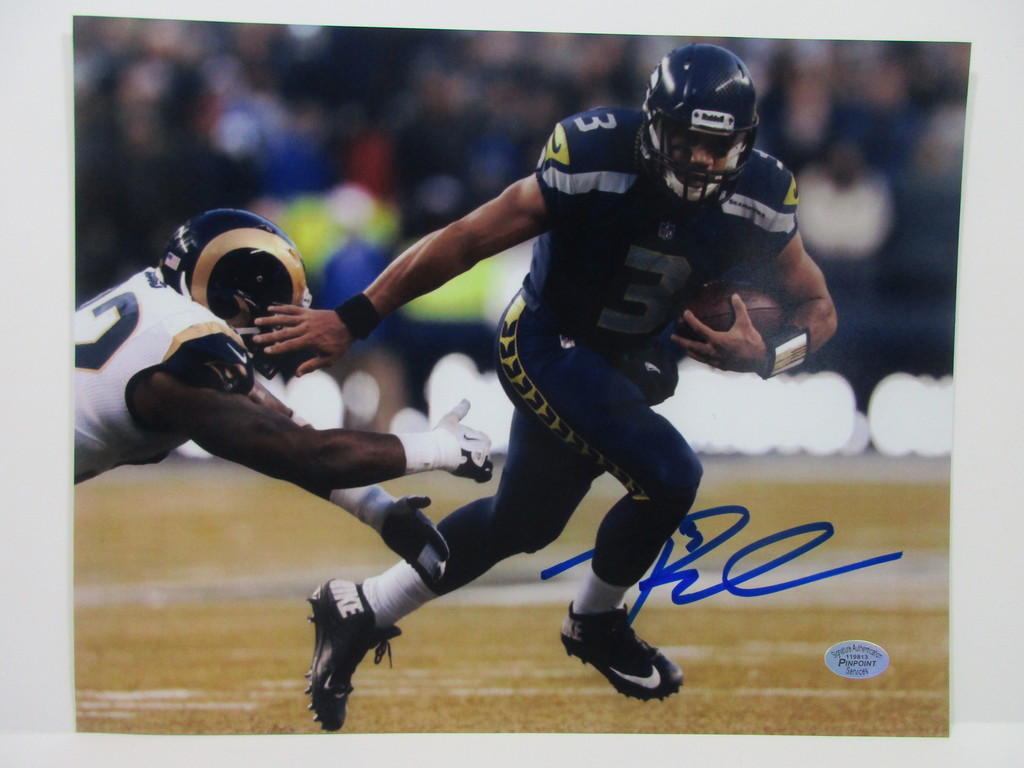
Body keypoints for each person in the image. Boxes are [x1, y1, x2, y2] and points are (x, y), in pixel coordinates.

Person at [254, 43, 838, 731]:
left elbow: (818, 310)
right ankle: (595, 622)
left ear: (745, 142)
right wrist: (354, 318)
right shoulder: (595, 155)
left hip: (629, 363)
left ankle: (363, 607)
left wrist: (767, 356)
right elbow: (467, 238)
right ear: (655, 127)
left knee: (524, 523)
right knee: (671, 475)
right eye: (688, 141)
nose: (704, 161)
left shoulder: (761, 193)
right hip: (546, 343)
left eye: (720, 146)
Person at [75, 208, 494, 585]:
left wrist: (377, 509)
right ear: (235, 303)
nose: (285, 324)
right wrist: (439, 448)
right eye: (276, 308)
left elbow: (282, 426)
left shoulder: (161, 310)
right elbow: (306, 454)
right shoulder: (182, 350)